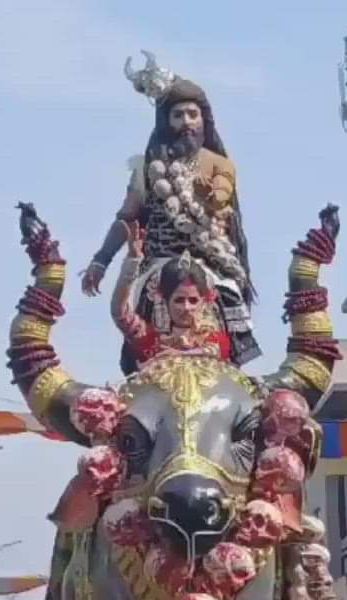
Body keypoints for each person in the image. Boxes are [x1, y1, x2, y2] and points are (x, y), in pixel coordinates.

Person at [81, 56, 261, 374]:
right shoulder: (147, 170)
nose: (187, 122)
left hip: (212, 267)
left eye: (193, 114)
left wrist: (211, 193)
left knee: (228, 296)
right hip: (160, 267)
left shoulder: (218, 165)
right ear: (167, 122)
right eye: (178, 115)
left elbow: (220, 198)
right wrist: (101, 260)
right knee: (148, 307)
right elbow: (127, 218)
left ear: (204, 121)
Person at [110, 228, 230, 369]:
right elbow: (119, 312)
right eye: (179, 300)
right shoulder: (151, 341)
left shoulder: (215, 340)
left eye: (193, 300)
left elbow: (214, 353)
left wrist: (179, 355)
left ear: (204, 301)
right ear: (164, 299)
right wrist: (132, 262)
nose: (186, 308)